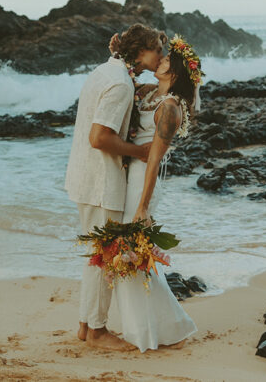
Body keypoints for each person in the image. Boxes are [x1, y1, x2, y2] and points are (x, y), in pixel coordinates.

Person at [64, 23, 166, 350]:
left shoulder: (106, 71)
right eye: (157, 49)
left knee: (96, 254)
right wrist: (141, 152)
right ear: (140, 52)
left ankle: (86, 326)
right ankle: (96, 331)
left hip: (83, 175)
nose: (162, 56)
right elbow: (99, 138)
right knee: (104, 256)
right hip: (100, 180)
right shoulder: (121, 83)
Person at [108, 34, 201, 352]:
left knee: (133, 252)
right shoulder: (149, 93)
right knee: (129, 251)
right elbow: (124, 83)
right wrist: (118, 55)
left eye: (165, 60)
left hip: (143, 182)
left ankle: (154, 329)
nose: (159, 60)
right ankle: (156, 327)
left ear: (173, 72)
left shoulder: (170, 109)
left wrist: (143, 208)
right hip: (131, 174)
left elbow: (153, 162)